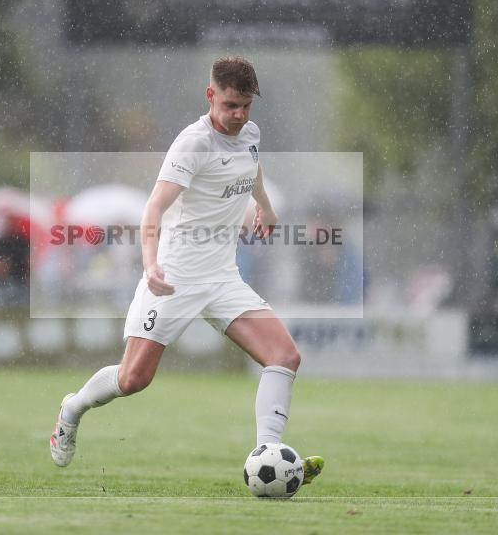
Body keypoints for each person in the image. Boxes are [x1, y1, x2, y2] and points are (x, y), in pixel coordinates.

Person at [50, 57, 324, 486]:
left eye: (246, 106)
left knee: (285, 356)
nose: (239, 116)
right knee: (133, 379)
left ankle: (267, 452)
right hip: (173, 278)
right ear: (210, 95)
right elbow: (153, 208)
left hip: (222, 277)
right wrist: (151, 263)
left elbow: (252, 167)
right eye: (231, 105)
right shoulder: (192, 144)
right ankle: (72, 408)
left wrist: (265, 207)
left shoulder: (249, 133)